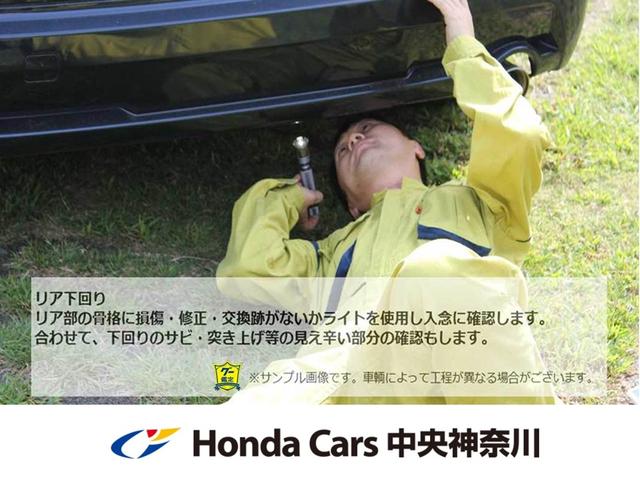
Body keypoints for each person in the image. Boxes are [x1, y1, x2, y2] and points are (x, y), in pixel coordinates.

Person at [216, 0, 557, 404]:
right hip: (339, 388)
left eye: (367, 127)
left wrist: (461, 34)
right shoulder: (331, 255)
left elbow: (518, 135)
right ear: (352, 205)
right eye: (342, 150)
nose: (354, 139)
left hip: (460, 381)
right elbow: (249, 266)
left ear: (417, 148)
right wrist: (289, 197)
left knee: (434, 270)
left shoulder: (482, 204)